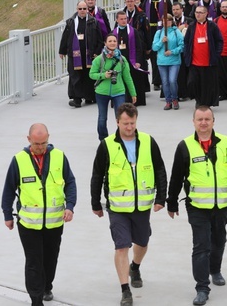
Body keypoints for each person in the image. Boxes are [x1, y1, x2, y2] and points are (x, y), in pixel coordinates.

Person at [167, 106, 227, 306]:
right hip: (196, 206)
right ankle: (202, 288)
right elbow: (176, 176)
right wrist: (171, 202)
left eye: (207, 119)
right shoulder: (185, 146)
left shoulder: (226, 143)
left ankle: (215, 269)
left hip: (222, 204)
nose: (203, 123)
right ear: (193, 122)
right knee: (201, 245)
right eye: (200, 119)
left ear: (213, 121)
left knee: (219, 240)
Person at [90, 104, 168, 306]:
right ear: (117, 122)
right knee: (121, 246)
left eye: (132, 123)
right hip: (117, 208)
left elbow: (160, 169)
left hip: (142, 206)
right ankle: (125, 290)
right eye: (125, 123)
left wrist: (161, 198)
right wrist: (95, 202)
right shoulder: (107, 145)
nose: (129, 127)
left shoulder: (148, 141)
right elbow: (97, 175)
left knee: (142, 242)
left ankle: (135, 266)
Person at [2, 123, 77, 306]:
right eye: (36, 144)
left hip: (54, 222)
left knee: (50, 258)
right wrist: (8, 215)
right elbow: (9, 189)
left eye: (44, 143)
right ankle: (36, 300)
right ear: (29, 140)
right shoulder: (19, 160)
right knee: (34, 261)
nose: (40, 147)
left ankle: (47, 286)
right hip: (29, 224)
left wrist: (70, 206)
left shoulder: (59, 157)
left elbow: (70, 182)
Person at [90, 34, 137, 140]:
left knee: (120, 117)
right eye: (110, 41)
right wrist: (103, 75)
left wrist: (133, 93)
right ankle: (103, 139)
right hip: (102, 92)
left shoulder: (122, 59)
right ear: (105, 43)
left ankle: (120, 138)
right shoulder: (99, 59)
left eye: (114, 41)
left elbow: (127, 77)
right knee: (102, 118)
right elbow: (92, 74)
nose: (112, 43)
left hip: (119, 91)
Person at [59, 1, 103, 107]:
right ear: (77, 9)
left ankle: (89, 97)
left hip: (89, 54)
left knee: (89, 76)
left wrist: (97, 52)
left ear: (87, 9)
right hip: (75, 55)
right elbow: (65, 36)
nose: (82, 11)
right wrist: (62, 50)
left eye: (84, 9)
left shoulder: (93, 22)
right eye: (80, 9)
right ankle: (77, 99)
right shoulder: (71, 22)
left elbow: (99, 38)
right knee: (75, 76)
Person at [184, 6, 224, 107]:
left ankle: (204, 103)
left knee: (207, 84)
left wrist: (217, 53)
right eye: (197, 12)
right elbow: (186, 42)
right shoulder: (192, 26)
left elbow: (219, 40)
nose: (198, 14)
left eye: (201, 13)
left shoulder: (212, 26)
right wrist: (186, 53)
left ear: (206, 14)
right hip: (194, 61)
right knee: (193, 82)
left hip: (208, 62)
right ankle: (198, 99)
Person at [113, 10, 148, 106]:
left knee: (133, 79)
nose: (124, 21)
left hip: (131, 60)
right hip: (118, 60)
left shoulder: (133, 31)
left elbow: (139, 47)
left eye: (125, 19)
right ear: (117, 20)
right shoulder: (114, 33)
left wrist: (138, 61)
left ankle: (135, 100)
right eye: (121, 19)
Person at [142, 0, 172, 92]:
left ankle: (165, 79)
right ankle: (156, 81)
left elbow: (169, 14)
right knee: (153, 55)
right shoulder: (146, 1)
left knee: (163, 52)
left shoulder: (164, 0)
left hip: (162, 29)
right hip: (150, 30)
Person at [152, 14, 185, 110]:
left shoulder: (176, 32)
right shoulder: (159, 32)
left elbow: (181, 46)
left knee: (172, 80)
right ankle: (168, 101)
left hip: (174, 60)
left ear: (172, 21)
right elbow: (154, 47)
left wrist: (172, 52)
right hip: (162, 62)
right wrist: (161, 41)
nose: (166, 23)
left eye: (168, 20)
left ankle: (174, 98)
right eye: (164, 21)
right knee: (165, 82)